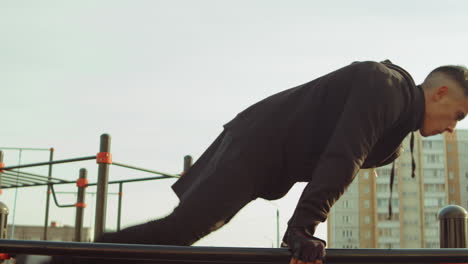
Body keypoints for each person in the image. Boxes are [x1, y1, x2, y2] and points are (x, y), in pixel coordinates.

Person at [96, 60, 468, 264]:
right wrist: (302, 228)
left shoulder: (395, 139)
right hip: (254, 145)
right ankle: (70, 257)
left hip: (268, 163)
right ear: (439, 94)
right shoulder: (384, 86)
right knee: (181, 231)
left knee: (180, 232)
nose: (452, 128)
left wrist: (301, 228)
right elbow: (343, 155)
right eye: (459, 115)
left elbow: (339, 160)